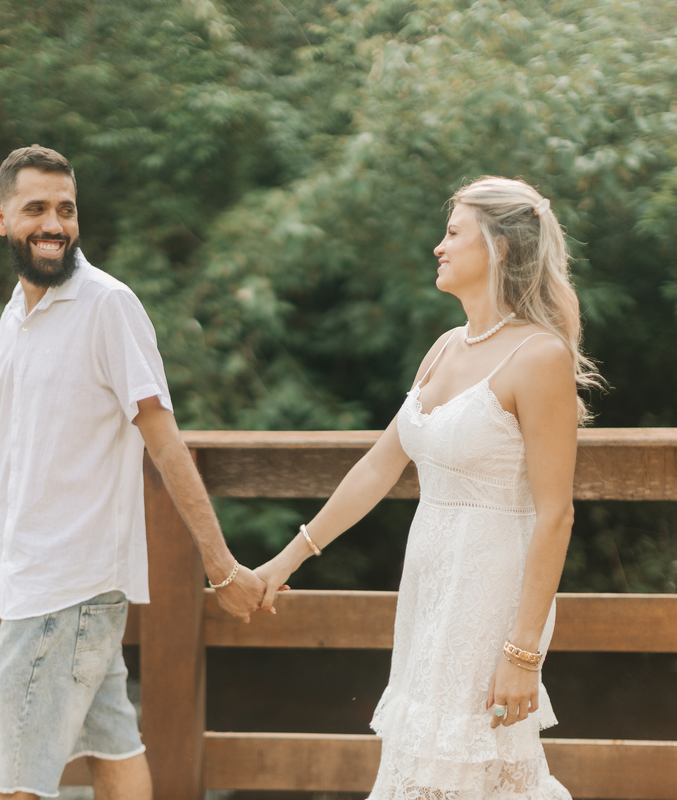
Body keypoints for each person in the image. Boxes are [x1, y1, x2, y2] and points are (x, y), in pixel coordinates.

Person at [255, 177, 597, 799]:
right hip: (430, 590)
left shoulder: (539, 357)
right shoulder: (444, 348)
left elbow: (556, 515)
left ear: (499, 247)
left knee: (480, 770)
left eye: (453, 232)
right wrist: (288, 558)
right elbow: (378, 468)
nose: (438, 247)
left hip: (492, 598)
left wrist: (523, 653)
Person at [0, 144, 266, 800]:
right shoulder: (14, 317)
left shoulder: (107, 306)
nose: (54, 224)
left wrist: (221, 566)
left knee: (9, 782)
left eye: (66, 210)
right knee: (111, 745)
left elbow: (166, 445)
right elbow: (17, 461)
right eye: (36, 209)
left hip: (70, 585)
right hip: (38, 584)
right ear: (0, 219)